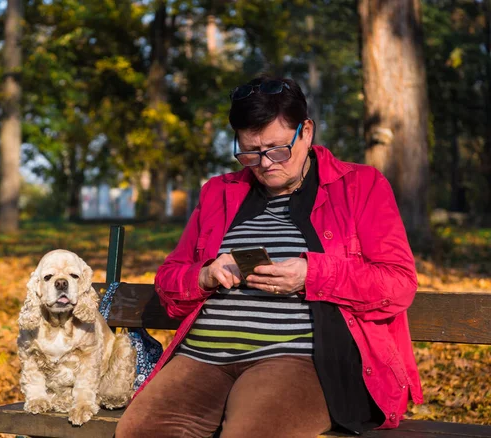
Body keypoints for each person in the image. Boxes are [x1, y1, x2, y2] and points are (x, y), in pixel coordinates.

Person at [115, 76, 423, 437]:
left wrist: (312, 274)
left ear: (306, 132)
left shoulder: (360, 185)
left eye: (277, 149)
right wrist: (205, 275)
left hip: (296, 360)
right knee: (140, 431)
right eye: (250, 152)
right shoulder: (220, 192)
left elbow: (399, 284)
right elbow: (169, 279)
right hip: (204, 356)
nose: (264, 164)